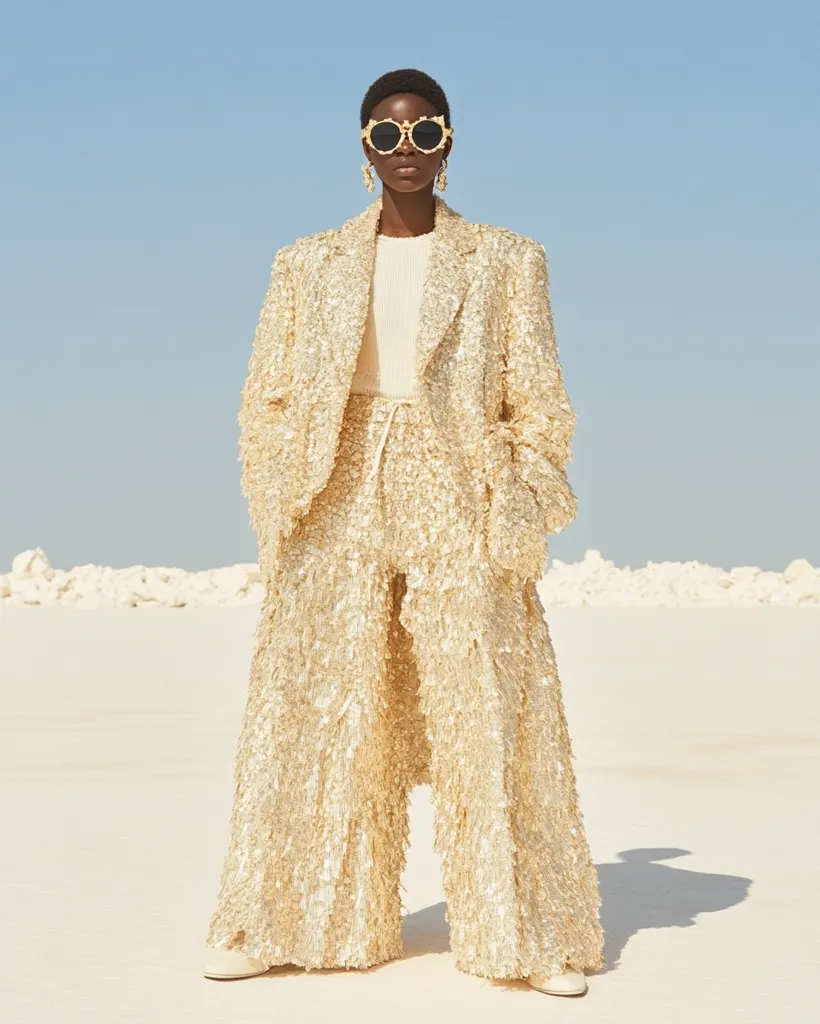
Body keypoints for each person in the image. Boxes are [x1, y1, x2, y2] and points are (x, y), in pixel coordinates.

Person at [203, 68, 605, 997]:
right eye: (388, 137)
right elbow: (264, 398)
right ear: (362, 151)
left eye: (426, 134)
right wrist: (278, 499)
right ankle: (284, 916)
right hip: (334, 491)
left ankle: (528, 932)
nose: (407, 152)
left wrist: (519, 496)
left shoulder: (508, 260)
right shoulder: (304, 264)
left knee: (488, 708)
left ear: (452, 143)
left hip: (460, 488)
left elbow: (542, 403)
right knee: (316, 707)